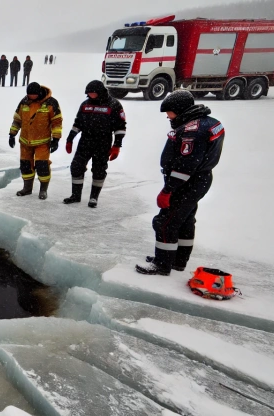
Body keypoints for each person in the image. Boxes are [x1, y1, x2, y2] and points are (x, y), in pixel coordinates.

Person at [136, 91, 224, 276]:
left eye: (169, 113)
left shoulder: (193, 131)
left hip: (187, 182)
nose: (168, 117)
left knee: (164, 223)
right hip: (199, 179)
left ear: (180, 110)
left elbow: (186, 165)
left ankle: (162, 264)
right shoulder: (210, 123)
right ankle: (177, 261)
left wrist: (168, 190)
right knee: (184, 221)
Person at [63, 81, 126, 208]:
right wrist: (70, 139)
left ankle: (94, 197)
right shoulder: (85, 105)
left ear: (100, 92)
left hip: (103, 143)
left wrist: (117, 145)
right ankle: (76, 195)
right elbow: (77, 124)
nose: (91, 95)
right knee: (76, 167)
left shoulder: (114, 105)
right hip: (85, 141)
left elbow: (120, 127)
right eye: (89, 94)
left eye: (93, 93)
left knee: (99, 170)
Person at [8, 82, 62, 199]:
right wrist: (12, 134)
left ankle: (43, 190)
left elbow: (56, 122)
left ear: (38, 93)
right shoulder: (24, 102)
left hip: (42, 142)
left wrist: (56, 139)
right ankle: (27, 188)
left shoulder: (51, 103)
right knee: (26, 166)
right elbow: (17, 119)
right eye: (29, 95)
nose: (31, 97)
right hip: (25, 141)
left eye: (33, 95)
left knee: (42, 165)